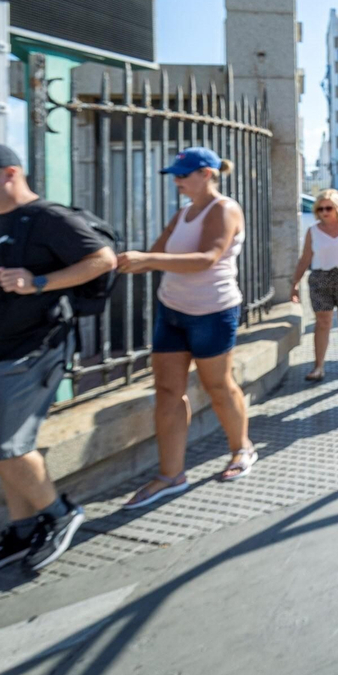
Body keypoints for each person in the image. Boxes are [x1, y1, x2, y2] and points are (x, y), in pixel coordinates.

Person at [0, 142, 116, 581]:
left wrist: (39, 282)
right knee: (6, 449)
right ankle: (21, 532)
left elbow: (102, 259)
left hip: (29, 349)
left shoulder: (47, 218)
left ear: (8, 173)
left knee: (1, 448)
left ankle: (59, 514)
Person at [117, 148, 255, 508]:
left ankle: (242, 449)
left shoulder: (225, 209)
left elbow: (207, 258)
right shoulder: (181, 214)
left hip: (213, 312)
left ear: (207, 173)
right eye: (174, 174)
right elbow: (155, 255)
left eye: (183, 174)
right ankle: (170, 475)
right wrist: (112, 261)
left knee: (217, 385)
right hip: (172, 311)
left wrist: (147, 259)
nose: (177, 180)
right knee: (167, 390)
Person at [290, 189, 338, 381]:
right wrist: (295, 283)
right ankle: (318, 366)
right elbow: (305, 259)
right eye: (320, 209)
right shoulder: (313, 231)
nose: (324, 212)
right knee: (323, 321)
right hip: (320, 277)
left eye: (328, 208)